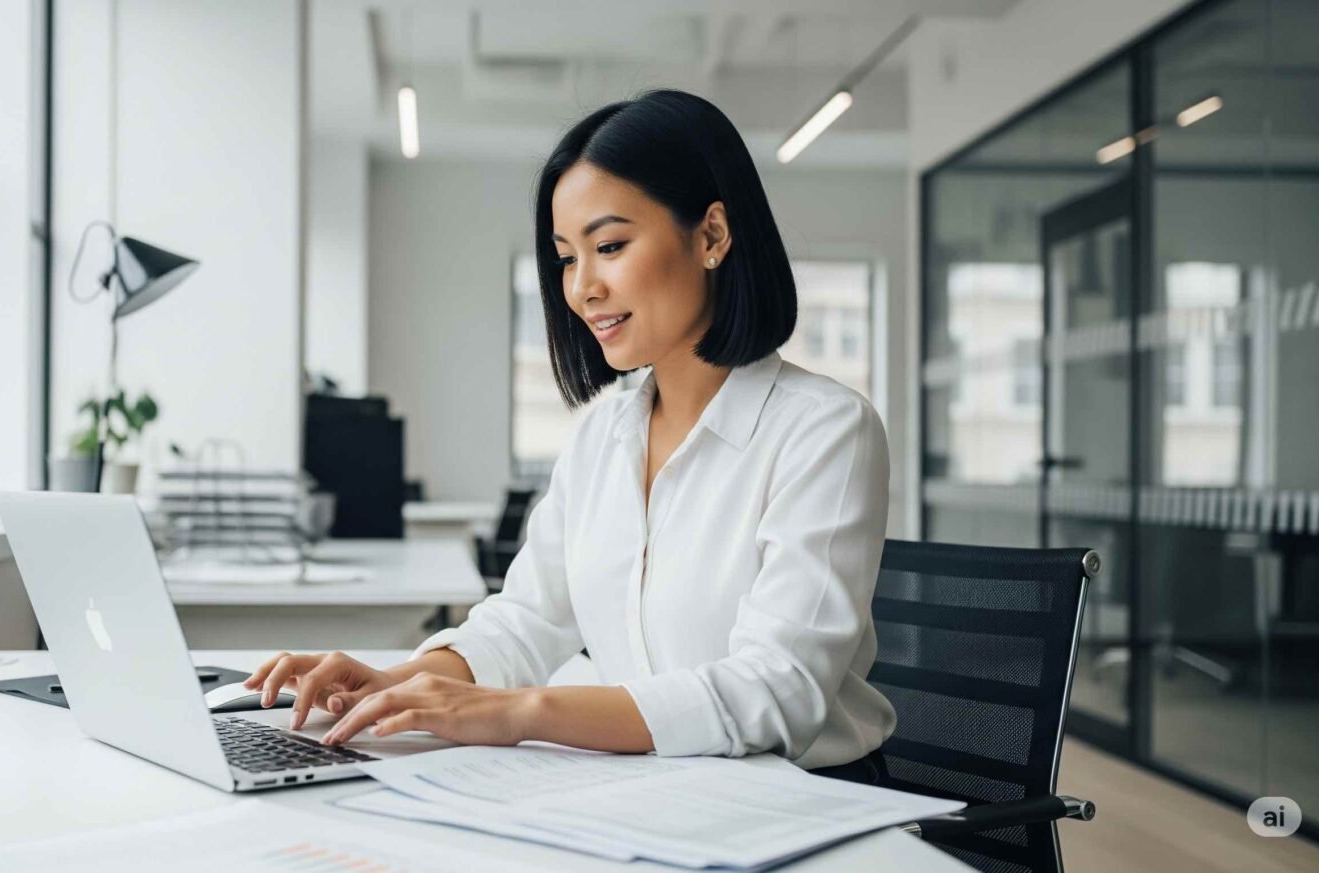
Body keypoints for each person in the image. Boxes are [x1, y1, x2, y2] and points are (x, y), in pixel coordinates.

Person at [244, 88, 896, 775]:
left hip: (809, 803)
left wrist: (524, 711)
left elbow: (778, 690)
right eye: (565, 257)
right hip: (657, 791)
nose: (581, 287)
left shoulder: (825, 432)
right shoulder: (603, 436)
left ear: (711, 235)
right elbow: (528, 618)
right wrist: (398, 681)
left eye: (609, 245)